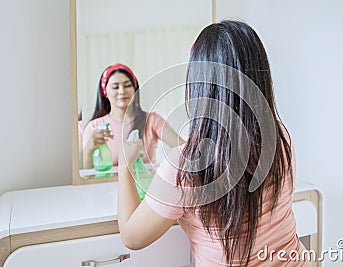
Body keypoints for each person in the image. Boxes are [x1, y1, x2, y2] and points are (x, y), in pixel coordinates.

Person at [117, 20, 310, 267]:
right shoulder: (281, 137)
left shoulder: (183, 167)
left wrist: (124, 167)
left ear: (199, 82)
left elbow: (132, 237)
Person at [82, 63, 185, 169]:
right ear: (105, 92)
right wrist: (90, 146)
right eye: (115, 87)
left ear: (135, 89)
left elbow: (182, 148)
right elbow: (85, 172)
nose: (122, 91)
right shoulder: (94, 127)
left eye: (127, 85)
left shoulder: (152, 120)